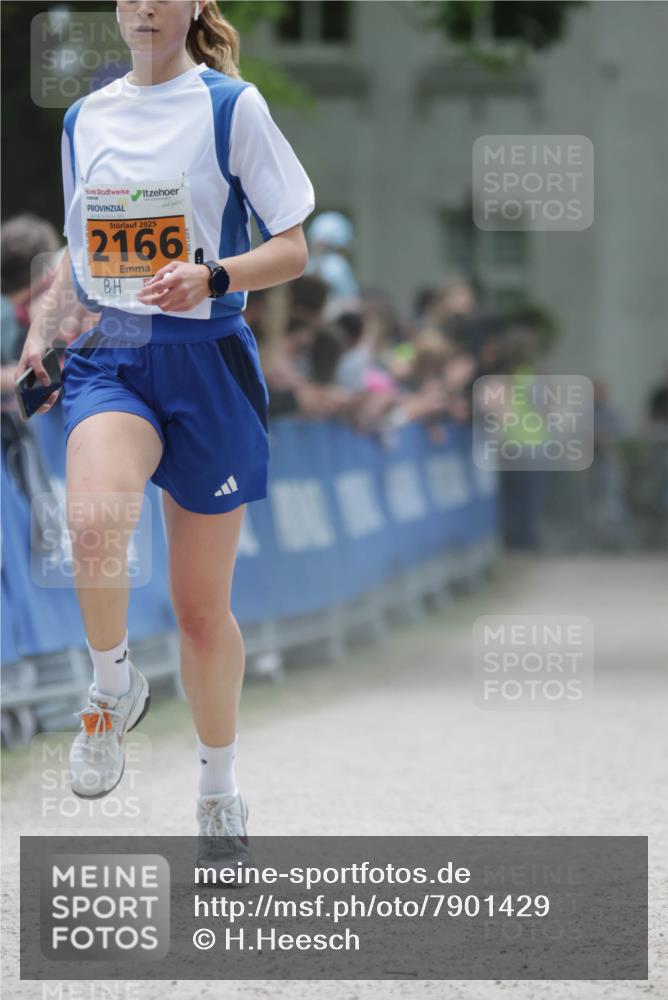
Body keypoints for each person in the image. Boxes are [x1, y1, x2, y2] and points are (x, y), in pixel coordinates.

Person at [14, 0, 314, 858]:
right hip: (114, 353)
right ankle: (109, 689)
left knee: (199, 612)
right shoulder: (85, 117)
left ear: (192, 7)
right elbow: (78, 246)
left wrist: (213, 274)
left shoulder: (231, 106)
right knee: (94, 521)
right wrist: (43, 325)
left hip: (208, 360)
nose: (146, 5)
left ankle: (218, 786)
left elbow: (292, 246)